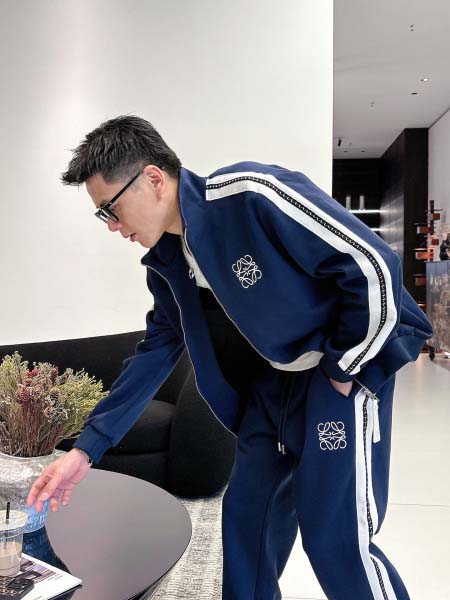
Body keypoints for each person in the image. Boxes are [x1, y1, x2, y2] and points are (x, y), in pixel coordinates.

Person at [27, 116, 432, 600]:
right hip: (269, 392)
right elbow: (156, 351)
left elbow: (373, 263)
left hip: (333, 381)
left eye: (110, 209)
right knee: (246, 528)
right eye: (103, 216)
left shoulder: (250, 194)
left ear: (153, 178)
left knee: (336, 540)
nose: (113, 227)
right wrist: (85, 450)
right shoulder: (167, 264)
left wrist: (343, 367)